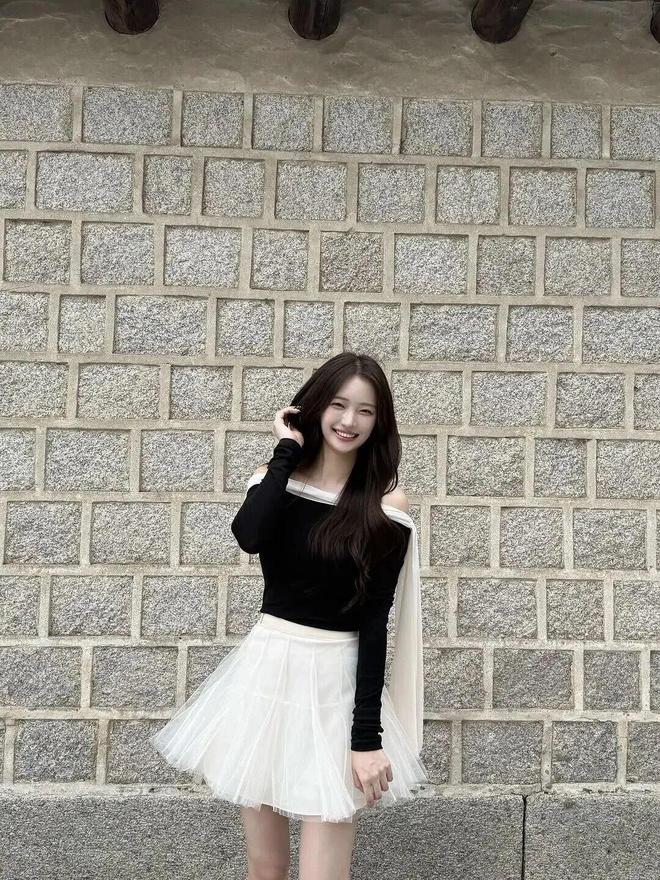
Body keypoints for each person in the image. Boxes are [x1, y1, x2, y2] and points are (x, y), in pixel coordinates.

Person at [149, 352, 429, 880]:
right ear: (316, 407)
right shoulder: (276, 478)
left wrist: (365, 738)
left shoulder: (385, 504)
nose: (349, 421)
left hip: (336, 683)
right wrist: (286, 449)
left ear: (379, 422)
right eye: (339, 405)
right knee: (266, 866)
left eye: (365, 411)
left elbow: (375, 622)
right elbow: (249, 535)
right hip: (266, 675)